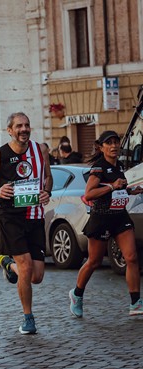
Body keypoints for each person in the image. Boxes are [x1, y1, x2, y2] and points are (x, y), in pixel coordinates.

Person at [0, 112, 52, 335]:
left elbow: (47, 176)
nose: (24, 129)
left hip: (35, 217)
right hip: (11, 218)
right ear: (10, 130)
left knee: (36, 276)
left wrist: (47, 191)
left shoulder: (41, 150)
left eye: (27, 125)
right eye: (19, 126)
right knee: (26, 267)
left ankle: (7, 263)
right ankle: (28, 317)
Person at [69, 130, 143, 318]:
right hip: (101, 218)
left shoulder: (118, 166)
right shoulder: (98, 168)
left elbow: (118, 189)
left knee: (132, 257)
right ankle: (76, 294)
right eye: (109, 143)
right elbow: (89, 193)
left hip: (119, 217)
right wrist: (111, 186)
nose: (114, 146)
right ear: (101, 147)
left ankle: (136, 302)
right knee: (94, 261)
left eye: (116, 142)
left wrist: (131, 190)